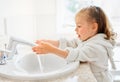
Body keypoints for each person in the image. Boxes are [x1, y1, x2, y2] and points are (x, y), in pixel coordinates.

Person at [32, 6, 116, 82]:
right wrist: (49, 42)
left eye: (79, 26)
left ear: (94, 27)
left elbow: (76, 55)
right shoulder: (88, 39)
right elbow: (71, 43)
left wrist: (52, 50)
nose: (75, 30)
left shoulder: (97, 47)